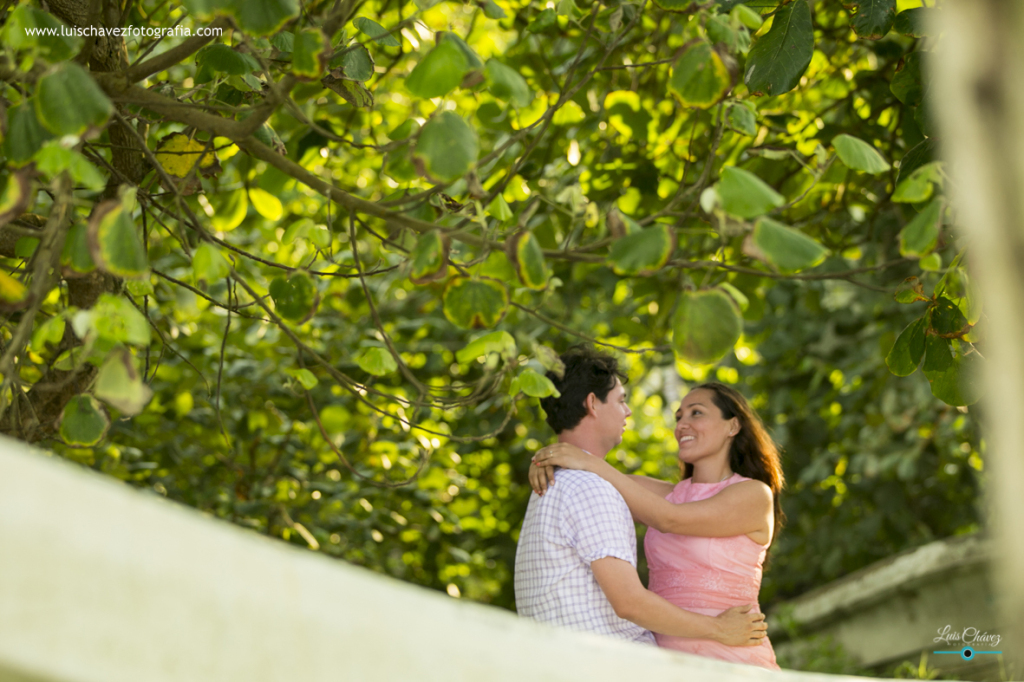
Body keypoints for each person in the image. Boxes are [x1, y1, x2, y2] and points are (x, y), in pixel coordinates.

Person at [514, 346, 767, 649]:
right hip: (665, 650)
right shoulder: (657, 492)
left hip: (724, 641)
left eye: (696, 413)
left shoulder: (753, 494)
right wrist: (548, 458)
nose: (681, 424)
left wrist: (586, 461)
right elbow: (605, 482)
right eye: (678, 416)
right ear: (593, 404)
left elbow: (670, 518)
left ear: (733, 425)